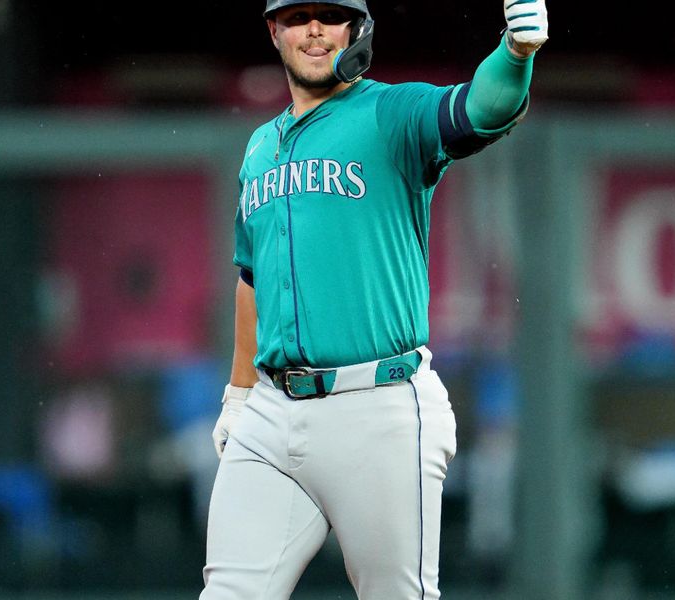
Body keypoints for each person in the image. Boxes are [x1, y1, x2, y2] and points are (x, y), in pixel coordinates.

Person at [201, 1, 548, 598]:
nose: (314, 30)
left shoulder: (390, 113)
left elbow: (480, 107)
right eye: (297, 15)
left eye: (330, 15)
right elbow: (251, 280)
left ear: (357, 29)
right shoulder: (260, 146)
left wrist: (516, 54)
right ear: (273, 30)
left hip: (379, 406)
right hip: (271, 412)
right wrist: (236, 396)